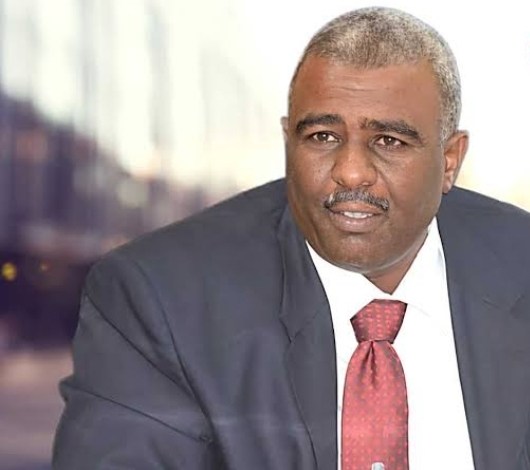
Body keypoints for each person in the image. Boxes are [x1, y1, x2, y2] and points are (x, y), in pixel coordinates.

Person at [53, 7, 530, 470]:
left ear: (449, 160)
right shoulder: (159, 298)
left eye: (389, 141)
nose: (351, 172)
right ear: (288, 141)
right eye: (322, 136)